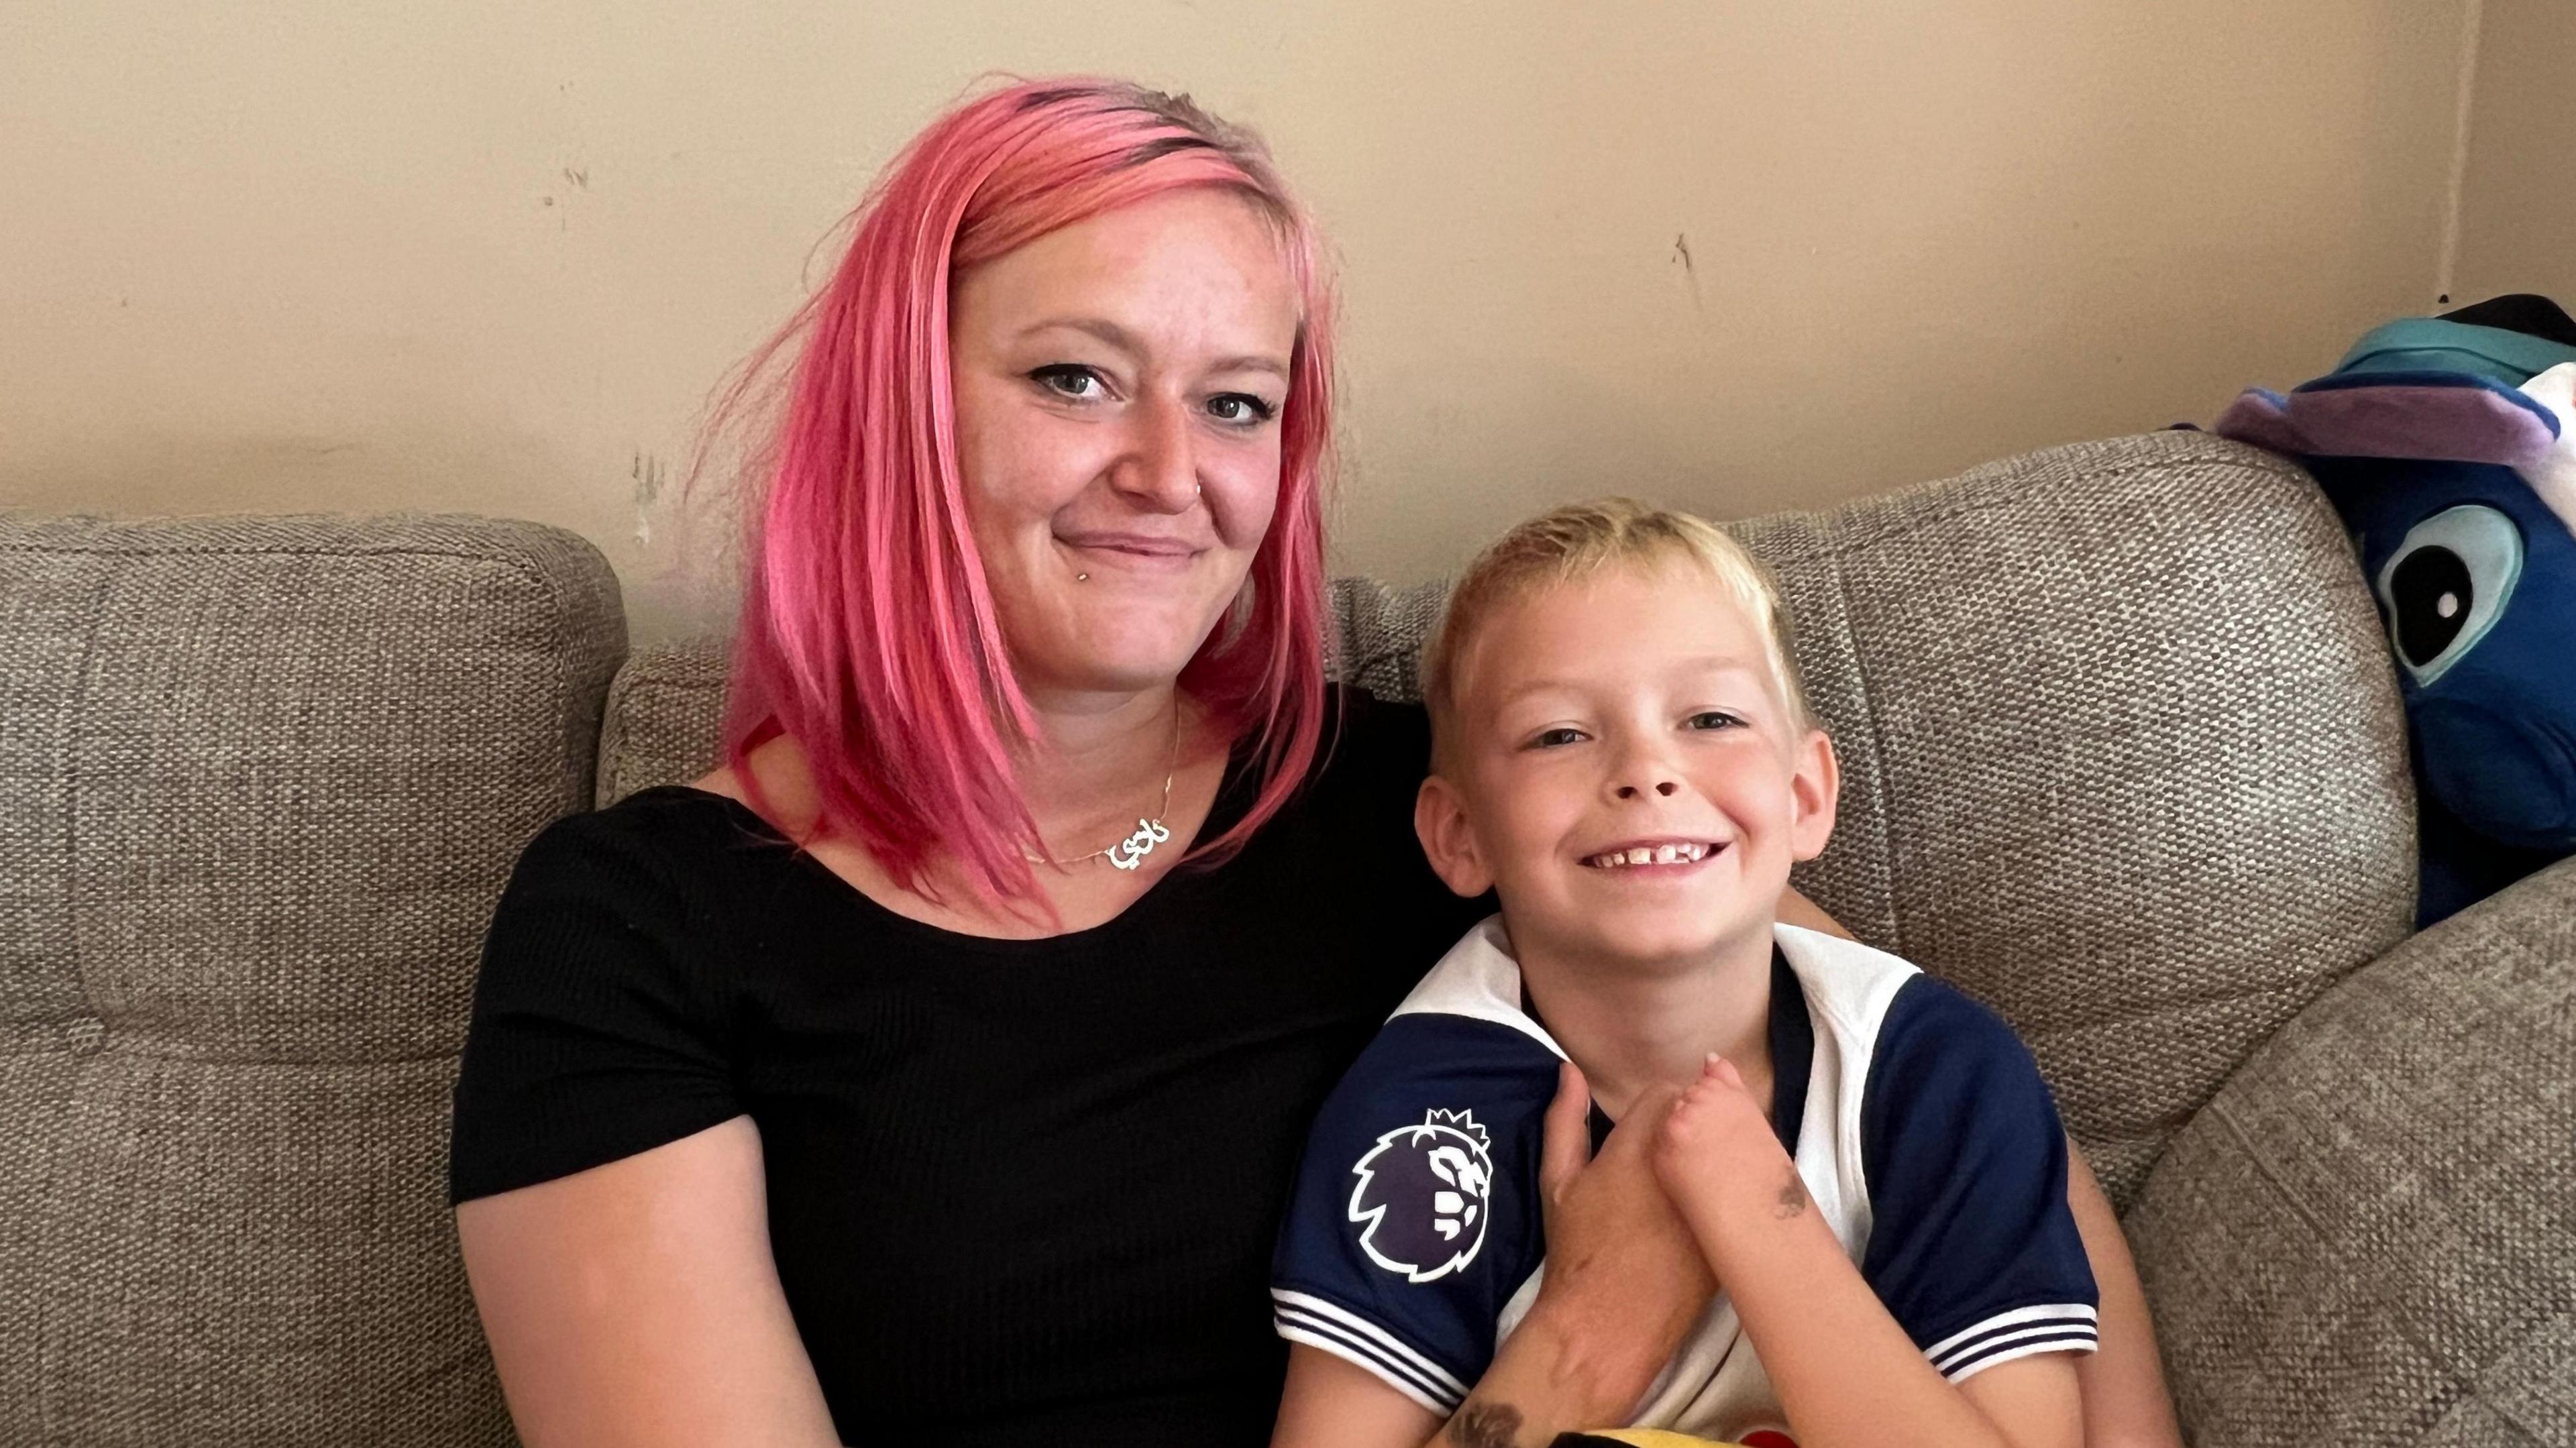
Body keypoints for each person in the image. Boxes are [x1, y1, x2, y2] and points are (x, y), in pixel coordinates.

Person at [445, 78, 2180, 1448]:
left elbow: (1923, 1066)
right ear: (899, 409)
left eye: (1236, 405)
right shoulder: (641, 931)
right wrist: (1575, 1347)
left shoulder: (1455, 810)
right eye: (1074, 378)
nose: (1165, 470)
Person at [1272, 501, 2105, 1448]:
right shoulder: (1420, 1118)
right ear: (1460, 835)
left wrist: (1763, 1218)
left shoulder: (1935, 1074)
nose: (1647, 770)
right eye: (1558, 735)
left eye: (1710, 718)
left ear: (1805, 796)